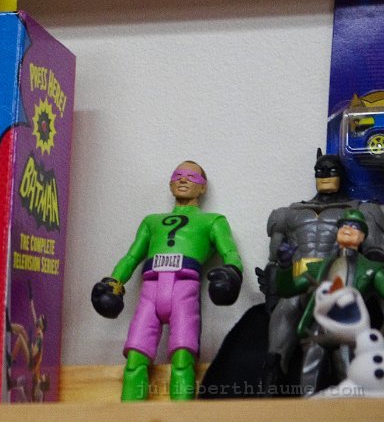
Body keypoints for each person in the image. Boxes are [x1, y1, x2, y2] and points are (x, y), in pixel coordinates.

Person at [91, 161, 243, 401]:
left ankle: (181, 415)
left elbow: (230, 253)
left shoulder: (213, 221)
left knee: (183, 359)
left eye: (191, 177)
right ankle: (129, 416)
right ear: (170, 183)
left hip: (185, 289)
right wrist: (114, 282)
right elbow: (131, 257)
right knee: (134, 359)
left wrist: (232, 272)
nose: (183, 179)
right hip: (150, 290)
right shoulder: (151, 221)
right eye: (178, 175)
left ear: (203, 188)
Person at [261, 151, 384, 389]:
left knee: (341, 354)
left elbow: (374, 254)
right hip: (301, 278)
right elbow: (275, 259)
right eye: (320, 170)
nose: (325, 174)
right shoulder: (288, 213)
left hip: (339, 282)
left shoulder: (361, 210)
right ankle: (272, 375)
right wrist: (273, 288)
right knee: (286, 313)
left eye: (332, 169)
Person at [275, 210, 384, 392]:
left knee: (352, 379)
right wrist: (285, 267)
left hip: (350, 332)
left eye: (354, 227)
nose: (347, 229)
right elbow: (287, 289)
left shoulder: (372, 269)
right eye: (343, 226)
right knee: (308, 381)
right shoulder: (318, 267)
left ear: (363, 236)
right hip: (318, 330)